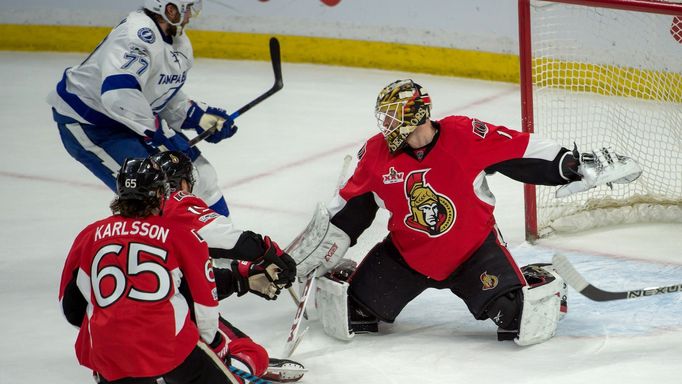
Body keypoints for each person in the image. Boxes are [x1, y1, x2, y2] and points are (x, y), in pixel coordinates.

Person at [289, 79, 642, 346]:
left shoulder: (463, 135)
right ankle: (349, 275)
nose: (386, 126)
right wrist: (318, 249)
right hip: (407, 256)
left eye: (393, 117)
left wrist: (571, 163)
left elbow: (521, 152)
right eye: (384, 118)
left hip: (473, 252)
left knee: (523, 323)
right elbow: (354, 208)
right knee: (352, 315)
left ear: (416, 115)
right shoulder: (377, 153)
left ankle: (541, 279)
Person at [58, 157, 240, 383]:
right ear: (161, 194)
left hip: (109, 353)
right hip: (170, 347)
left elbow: (70, 306)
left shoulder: (89, 236)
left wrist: (112, 334)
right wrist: (211, 344)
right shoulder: (181, 234)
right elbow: (204, 303)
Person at [47, 0, 235, 216]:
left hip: (135, 121)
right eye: (189, 8)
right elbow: (119, 95)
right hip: (92, 126)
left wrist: (198, 117)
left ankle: (224, 245)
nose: (192, 14)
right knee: (148, 193)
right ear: (170, 9)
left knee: (198, 174)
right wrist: (157, 133)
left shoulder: (176, 41)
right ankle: (156, 247)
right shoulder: (135, 36)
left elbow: (157, 93)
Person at [149, 150, 304, 383]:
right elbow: (227, 239)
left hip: (118, 339)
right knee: (252, 355)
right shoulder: (177, 202)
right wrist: (269, 253)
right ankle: (229, 366)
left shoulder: (127, 219)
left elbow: (178, 278)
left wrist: (240, 278)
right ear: (182, 182)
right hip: (168, 329)